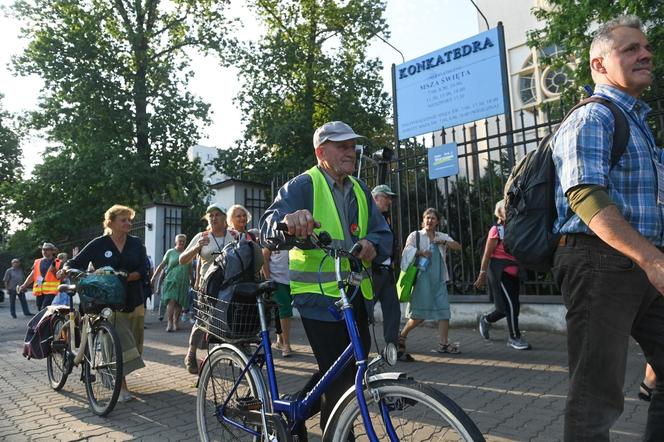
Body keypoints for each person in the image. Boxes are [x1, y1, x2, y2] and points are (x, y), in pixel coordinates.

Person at [550, 15, 664, 439]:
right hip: (600, 265)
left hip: (642, 265)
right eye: (630, 49)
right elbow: (585, 197)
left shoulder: (638, 125)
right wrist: (651, 258)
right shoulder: (592, 117)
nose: (646, 53)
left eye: (646, 47)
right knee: (596, 398)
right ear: (599, 65)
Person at [260, 120, 392, 435]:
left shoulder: (360, 188)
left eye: (353, 147)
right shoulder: (303, 185)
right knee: (344, 380)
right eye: (342, 146)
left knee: (340, 371)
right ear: (322, 151)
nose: (351, 153)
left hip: (355, 295)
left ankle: (295, 411)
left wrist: (373, 243)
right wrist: (287, 222)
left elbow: (383, 233)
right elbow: (267, 226)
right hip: (317, 296)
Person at [61, 204, 147, 403]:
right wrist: (65, 268)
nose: (128, 223)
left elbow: (143, 269)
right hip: (108, 302)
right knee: (118, 341)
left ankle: (116, 375)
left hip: (134, 298)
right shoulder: (99, 244)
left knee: (134, 344)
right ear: (111, 222)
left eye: (129, 219)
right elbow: (76, 262)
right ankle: (122, 388)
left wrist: (125, 277)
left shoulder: (136, 243)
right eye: (123, 220)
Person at [179, 203, 236, 374]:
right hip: (207, 286)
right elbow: (182, 260)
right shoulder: (201, 236)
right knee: (203, 320)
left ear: (225, 218)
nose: (213, 218)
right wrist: (197, 247)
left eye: (217, 214)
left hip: (229, 285)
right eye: (210, 215)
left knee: (230, 317)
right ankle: (191, 354)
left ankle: (234, 353)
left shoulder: (233, 236)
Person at [398, 208, 462, 354]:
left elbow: (458, 246)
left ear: (437, 222)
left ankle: (443, 344)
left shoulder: (441, 236)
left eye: (433, 218)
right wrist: (420, 252)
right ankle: (402, 336)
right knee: (419, 315)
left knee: (444, 312)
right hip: (422, 280)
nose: (429, 221)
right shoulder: (416, 236)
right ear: (423, 220)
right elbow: (406, 252)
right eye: (427, 218)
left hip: (439, 281)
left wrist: (444, 242)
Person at [474, 200, 530, 350]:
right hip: (499, 271)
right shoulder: (496, 230)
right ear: (500, 212)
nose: (511, 211)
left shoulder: (514, 228)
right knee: (511, 304)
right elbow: (487, 254)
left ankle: (486, 320)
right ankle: (514, 337)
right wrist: (482, 274)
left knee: (505, 308)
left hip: (514, 271)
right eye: (507, 209)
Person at [370, 184, 412, 362]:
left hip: (387, 272)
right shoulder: (367, 216)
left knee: (392, 310)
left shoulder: (385, 217)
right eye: (386, 197)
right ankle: (353, 348)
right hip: (372, 271)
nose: (389, 201)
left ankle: (392, 349)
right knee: (364, 312)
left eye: (390, 198)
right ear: (375, 198)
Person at [152, 234, 191, 332]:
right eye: (180, 240)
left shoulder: (188, 253)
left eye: (183, 241)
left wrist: (194, 281)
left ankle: (176, 322)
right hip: (171, 281)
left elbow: (190, 270)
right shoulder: (170, 252)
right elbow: (162, 266)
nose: (181, 242)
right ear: (175, 242)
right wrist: (153, 277)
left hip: (183, 282)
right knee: (171, 301)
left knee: (179, 303)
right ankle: (169, 322)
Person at [261, 247, 294, 357]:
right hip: (278, 280)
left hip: (295, 279)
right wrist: (268, 278)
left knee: (283, 311)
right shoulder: (273, 235)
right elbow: (264, 256)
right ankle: (286, 344)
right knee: (285, 310)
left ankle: (280, 338)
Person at [18, 242, 63, 310]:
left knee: (44, 308)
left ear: (52, 251)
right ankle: (48, 320)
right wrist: (24, 285)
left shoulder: (58, 262)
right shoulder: (37, 261)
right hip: (39, 289)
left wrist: (55, 272)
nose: (44, 251)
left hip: (51, 290)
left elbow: (61, 277)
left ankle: (47, 320)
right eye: (43, 249)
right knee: (40, 309)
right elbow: (33, 274)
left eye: (47, 249)